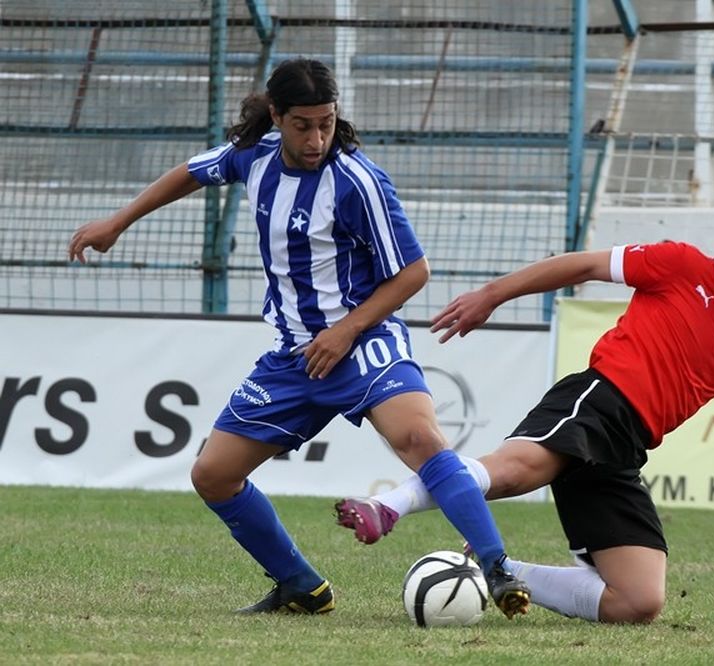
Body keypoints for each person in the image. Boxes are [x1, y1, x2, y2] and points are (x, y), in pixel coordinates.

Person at [334, 202, 714, 624]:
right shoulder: (681, 265)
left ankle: (495, 564)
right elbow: (583, 265)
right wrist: (493, 293)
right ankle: (389, 504)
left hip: (625, 450)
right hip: (597, 400)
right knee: (516, 471)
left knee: (638, 603)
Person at [67, 58, 529, 619]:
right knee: (213, 475)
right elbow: (192, 170)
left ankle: (497, 568)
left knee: (422, 441)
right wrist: (119, 221)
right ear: (277, 116)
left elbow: (413, 272)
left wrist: (347, 329)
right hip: (294, 357)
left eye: (327, 124)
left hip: (364, 341)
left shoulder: (357, 181)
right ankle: (301, 586)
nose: (316, 139)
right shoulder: (253, 157)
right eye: (303, 125)